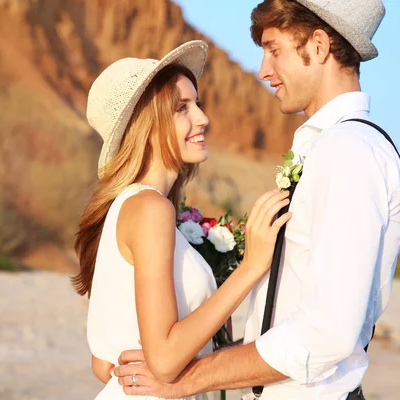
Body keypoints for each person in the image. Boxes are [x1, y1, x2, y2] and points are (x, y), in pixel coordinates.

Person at [113, 1, 400, 399]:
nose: (263, 70)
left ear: (319, 47)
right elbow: (290, 315)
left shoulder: (349, 151)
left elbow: (327, 333)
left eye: (274, 50)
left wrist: (192, 377)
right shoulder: (328, 148)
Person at [73, 40, 292, 400]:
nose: (202, 118)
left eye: (198, 104)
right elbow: (164, 360)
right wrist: (251, 266)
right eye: (182, 108)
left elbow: (103, 364)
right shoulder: (149, 209)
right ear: (146, 124)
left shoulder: (131, 207)